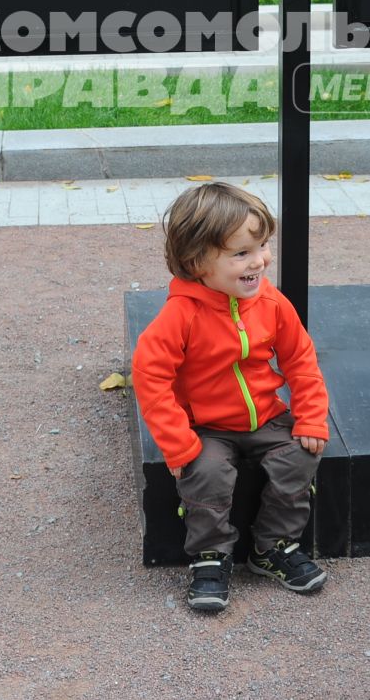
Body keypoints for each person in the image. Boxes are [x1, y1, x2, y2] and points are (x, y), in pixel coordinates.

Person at [131, 181, 331, 614]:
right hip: (205, 425)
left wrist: (311, 417)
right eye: (241, 253)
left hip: (265, 418)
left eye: (261, 246)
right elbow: (150, 376)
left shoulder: (273, 303)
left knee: (301, 455)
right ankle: (210, 555)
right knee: (205, 473)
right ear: (196, 262)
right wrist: (177, 440)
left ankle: (272, 547)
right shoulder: (180, 315)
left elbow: (301, 361)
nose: (259, 261)